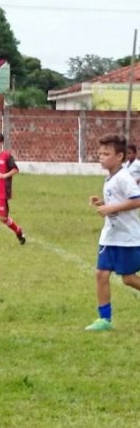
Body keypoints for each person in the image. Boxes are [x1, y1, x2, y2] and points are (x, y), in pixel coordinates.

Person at [85, 134, 140, 331]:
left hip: (127, 237)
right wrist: (103, 203)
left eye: (106, 153)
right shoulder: (110, 177)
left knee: (128, 278)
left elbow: (136, 200)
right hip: (110, 236)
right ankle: (104, 320)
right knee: (101, 274)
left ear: (119, 157)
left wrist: (109, 209)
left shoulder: (124, 178)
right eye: (100, 153)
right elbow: (117, 202)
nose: (101, 157)